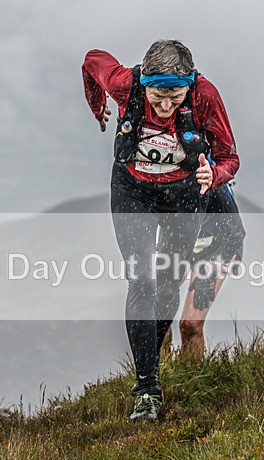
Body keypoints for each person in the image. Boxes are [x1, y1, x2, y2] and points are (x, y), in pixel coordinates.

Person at [83, 40, 239, 422]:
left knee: (168, 284)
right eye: (157, 97)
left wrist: (214, 174)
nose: (165, 106)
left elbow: (229, 156)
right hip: (132, 189)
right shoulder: (124, 83)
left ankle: (150, 368)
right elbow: (92, 60)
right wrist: (97, 103)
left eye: (174, 96)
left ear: (188, 86)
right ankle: (148, 389)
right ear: (144, 83)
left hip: (184, 194)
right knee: (141, 282)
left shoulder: (205, 96)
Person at [164, 182, 245, 358]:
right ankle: (159, 379)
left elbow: (233, 230)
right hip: (176, 239)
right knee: (156, 321)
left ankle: (192, 381)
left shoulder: (204, 169)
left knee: (190, 325)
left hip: (218, 242)